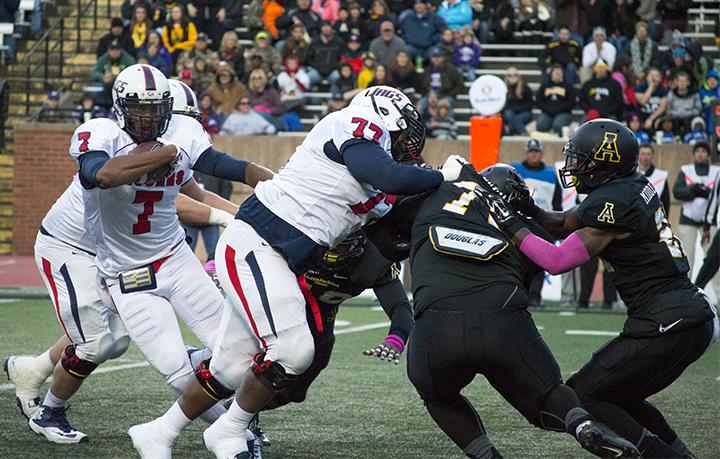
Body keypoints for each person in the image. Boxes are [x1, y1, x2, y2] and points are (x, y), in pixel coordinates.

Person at [126, 86, 464, 458]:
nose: (406, 142)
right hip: (258, 242)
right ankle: (228, 430)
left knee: (231, 367)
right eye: (403, 132)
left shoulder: (375, 170)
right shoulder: (354, 124)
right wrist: (441, 178)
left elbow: (386, 232)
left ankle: (159, 432)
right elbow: (387, 176)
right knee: (294, 350)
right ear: (386, 114)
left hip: (278, 257)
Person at [8, 67, 274, 444]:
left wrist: (258, 201)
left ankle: (32, 369)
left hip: (160, 253)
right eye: (142, 110)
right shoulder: (105, 135)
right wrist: (162, 156)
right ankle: (50, 408)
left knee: (212, 343)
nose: (152, 120)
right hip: (76, 246)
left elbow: (207, 180)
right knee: (100, 342)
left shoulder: (181, 136)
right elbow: (103, 175)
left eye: (159, 111)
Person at [475, 118, 718, 457]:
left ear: (605, 163)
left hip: (669, 322)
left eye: (581, 159)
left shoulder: (614, 203)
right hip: (683, 315)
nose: (574, 166)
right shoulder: (627, 186)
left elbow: (556, 261)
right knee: (618, 396)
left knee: (585, 395)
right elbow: (563, 222)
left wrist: (507, 219)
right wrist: (528, 208)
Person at [368, 162, 640, 458]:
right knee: (548, 395)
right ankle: (582, 424)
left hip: (438, 323)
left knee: (437, 395)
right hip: (503, 318)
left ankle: (487, 455)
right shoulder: (528, 228)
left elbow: (385, 237)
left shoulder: (435, 194)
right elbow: (538, 262)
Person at [253, 231, 415, 440]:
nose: (332, 252)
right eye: (331, 244)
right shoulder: (303, 243)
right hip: (281, 305)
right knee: (257, 363)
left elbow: (400, 307)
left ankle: (243, 409)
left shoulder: (373, 260)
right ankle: (239, 416)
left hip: (322, 318)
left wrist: (396, 339)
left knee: (294, 391)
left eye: (341, 246)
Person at [511, 139, 559, 308]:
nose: (533, 154)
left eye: (536, 151)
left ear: (541, 153)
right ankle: (519, 294)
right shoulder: (515, 170)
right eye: (531, 151)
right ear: (526, 152)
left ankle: (535, 296)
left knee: (539, 262)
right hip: (519, 222)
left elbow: (556, 202)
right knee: (518, 261)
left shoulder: (551, 174)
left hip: (540, 223)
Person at [672, 142, 719, 279]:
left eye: (703, 151)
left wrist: (706, 192)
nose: (700, 154)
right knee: (686, 259)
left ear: (709, 155)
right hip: (688, 219)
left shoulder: (716, 172)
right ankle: (686, 293)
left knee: (714, 259)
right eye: (697, 151)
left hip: (709, 222)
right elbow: (677, 192)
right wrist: (692, 190)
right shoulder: (686, 170)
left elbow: (716, 195)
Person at [90, 39, 137, 108]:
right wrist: (102, 77)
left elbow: (133, 75)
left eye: (117, 49)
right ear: (108, 50)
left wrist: (114, 78)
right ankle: (101, 108)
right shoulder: (103, 59)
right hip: (106, 86)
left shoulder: (129, 60)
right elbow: (93, 72)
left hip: (123, 87)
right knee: (96, 86)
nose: (114, 52)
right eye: (112, 49)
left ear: (120, 50)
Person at [535, 64, 575, 136]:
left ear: (563, 74)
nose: (557, 74)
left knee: (558, 125)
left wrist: (559, 109)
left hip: (564, 113)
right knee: (540, 125)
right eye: (555, 73)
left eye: (559, 73)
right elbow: (538, 101)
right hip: (547, 113)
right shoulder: (544, 86)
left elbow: (572, 102)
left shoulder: (568, 86)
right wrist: (548, 109)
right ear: (551, 74)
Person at [307, 20, 345, 84]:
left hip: (333, 71)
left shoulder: (339, 41)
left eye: (328, 26)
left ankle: (336, 94)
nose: (326, 28)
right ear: (321, 28)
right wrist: (317, 67)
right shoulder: (314, 42)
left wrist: (335, 67)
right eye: (324, 26)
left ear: (331, 28)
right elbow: (309, 58)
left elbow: (342, 58)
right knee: (308, 78)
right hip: (317, 71)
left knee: (338, 78)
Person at [665, 70, 702, 135]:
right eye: (680, 81)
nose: (682, 83)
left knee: (692, 121)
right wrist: (678, 113)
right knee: (670, 121)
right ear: (676, 82)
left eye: (684, 81)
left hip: (690, 116)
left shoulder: (694, 94)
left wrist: (686, 113)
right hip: (675, 117)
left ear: (688, 83)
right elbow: (668, 110)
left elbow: (698, 109)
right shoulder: (671, 93)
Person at [637, 143, 670, 216]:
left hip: (653, 219)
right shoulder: (632, 175)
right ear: (638, 155)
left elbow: (665, 202)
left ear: (652, 156)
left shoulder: (661, 176)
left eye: (648, 154)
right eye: (643, 154)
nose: (645, 157)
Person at [501, 67, 534, 136]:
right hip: (509, 115)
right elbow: (503, 107)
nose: (513, 77)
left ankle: (510, 129)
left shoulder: (525, 87)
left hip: (524, 113)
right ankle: (523, 132)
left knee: (512, 118)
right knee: (508, 113)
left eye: (515, 75)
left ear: (518, 76)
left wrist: (514, 110)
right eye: (510, 75)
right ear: (506, 77)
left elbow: (529, 105)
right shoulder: (502, 89)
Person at [634, 67, 668, 131]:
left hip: (656, 116)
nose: (654, 78)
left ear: (660, 78)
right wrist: (651, 87)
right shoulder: (640, 88)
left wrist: (650, 119)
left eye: (656, 76)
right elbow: (642, 101)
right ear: (647, 77)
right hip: (642, 114)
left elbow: (662, 108)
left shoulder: (663, 90)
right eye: (652, 75)